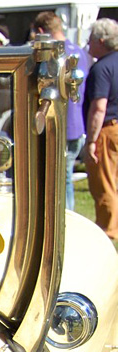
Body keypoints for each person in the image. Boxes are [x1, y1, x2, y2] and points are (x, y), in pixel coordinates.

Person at [32, 11, 90, 212]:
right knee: (65, 177)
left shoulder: (50, 53)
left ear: (41, 31)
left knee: (60, 179)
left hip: (56, 121)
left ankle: (65, 218)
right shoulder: (79, 52)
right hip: (76, 123)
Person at [83, 18, 118, 238]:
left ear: (101, 41)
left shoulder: (101, 68)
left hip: (107, 128)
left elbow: (98, 107)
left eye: (91, 40)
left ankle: (109, 231)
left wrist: (91, 141)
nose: (88, 44)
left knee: (104, 182)